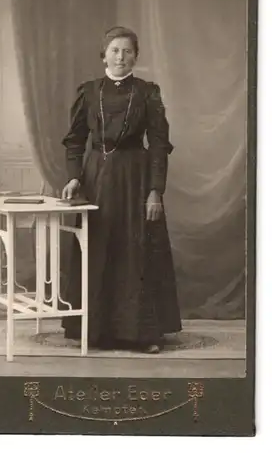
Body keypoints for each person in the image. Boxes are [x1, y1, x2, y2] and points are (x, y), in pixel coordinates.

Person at [61, 26, 181, 354]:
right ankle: (96, 331)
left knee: (136, 250)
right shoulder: (89, 92)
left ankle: (142, 335)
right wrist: (74, 178)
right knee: (99, 249)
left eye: (128, 51)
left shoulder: (147, 93)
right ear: (104, 55)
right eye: (115, 50)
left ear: (135, 57)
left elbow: (158, 145)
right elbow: (74, 142)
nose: (121, 57)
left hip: (136, 179)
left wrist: (156, 191)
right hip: (97, 177)